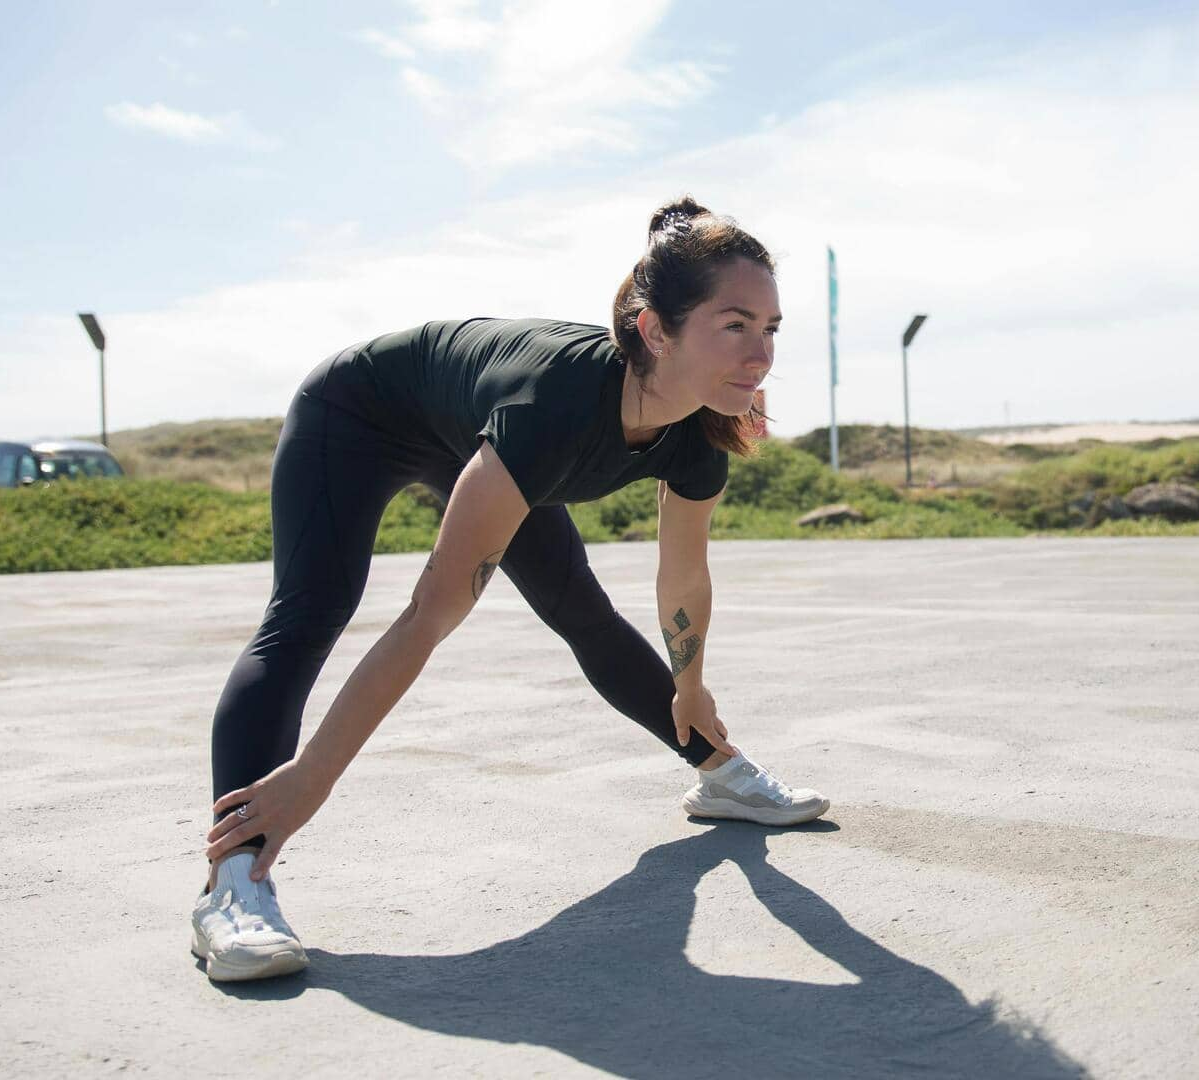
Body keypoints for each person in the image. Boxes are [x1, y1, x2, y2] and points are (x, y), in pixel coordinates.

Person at [190, 197, 829, 983]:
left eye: (769, 329)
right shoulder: (552, 408)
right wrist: (311, 775)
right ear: (656, 330)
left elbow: (684, 572)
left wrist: (691, 692)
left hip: (472, 424)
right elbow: (431, 615)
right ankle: (233, 886)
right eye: (734, 326)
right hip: (358, 414)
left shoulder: (700, 427)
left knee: (580, 609)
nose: (760, 354)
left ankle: (720, 773)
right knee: (310, 612)